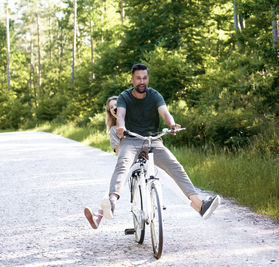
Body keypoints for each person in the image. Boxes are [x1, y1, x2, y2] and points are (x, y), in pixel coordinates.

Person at [85, 63, 220, 229]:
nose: (142, 81)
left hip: (153, 140)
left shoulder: (155, 95)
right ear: (132, 79)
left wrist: (171, 124)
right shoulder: (124, 97)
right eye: (138, 78)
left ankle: (199, 204)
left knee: (175, 167)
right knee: (123, 165)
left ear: (147, 78)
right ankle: (111, 202)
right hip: (131, 140)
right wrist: (121, 127)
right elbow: (121, 115)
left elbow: (165, 112)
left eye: (145, 78)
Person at [84, 96, 122, 229]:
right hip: (127, 161)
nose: (114, 109)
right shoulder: (114, 130)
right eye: (111, 107)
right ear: (109, 112)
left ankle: (191, 201)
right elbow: (119, 152)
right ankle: (98, 216)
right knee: (114, 184)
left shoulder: (135, 121)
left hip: (146, 157)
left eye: (116, 105)